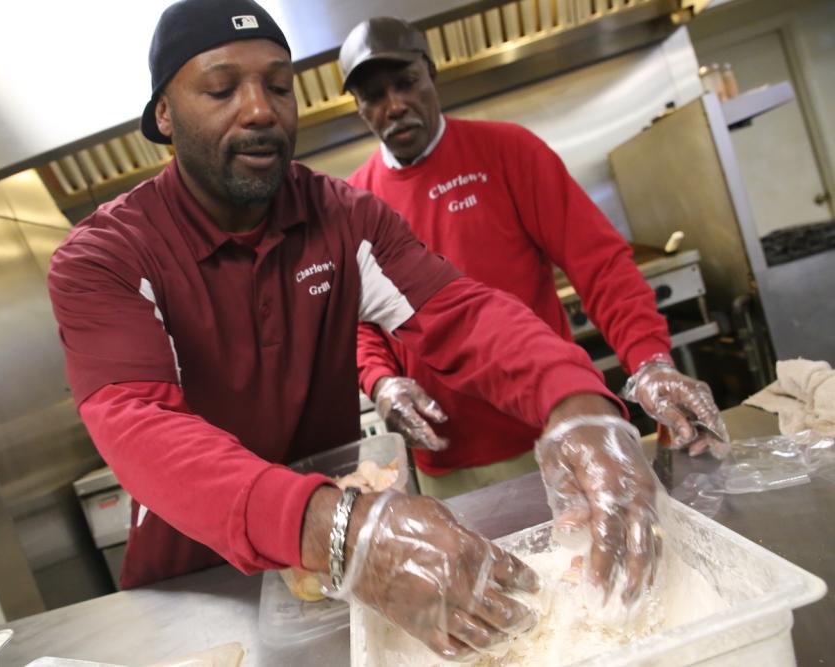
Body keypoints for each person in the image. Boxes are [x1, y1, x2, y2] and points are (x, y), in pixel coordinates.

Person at [48, 0, 662, 659]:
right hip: (202, 583)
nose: (260, 110)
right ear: (164, 113)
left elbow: (460, 315)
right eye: (223, 88)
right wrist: (339, 528)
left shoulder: (342, 218)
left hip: (335, 579)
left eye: (279, 86)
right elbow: (141, 425)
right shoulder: (108, 257)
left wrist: (579, 407)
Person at [339, 16, 730, 499]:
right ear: (358, 107)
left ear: (431, 75)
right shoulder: (356, 203)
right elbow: (360, 323)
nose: (395, 105)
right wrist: (381, 383)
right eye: (374, 96)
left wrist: (649, 359)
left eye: (406, 83)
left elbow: (600, 264)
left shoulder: (507, 152)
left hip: (556, 432)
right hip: (446, 461)